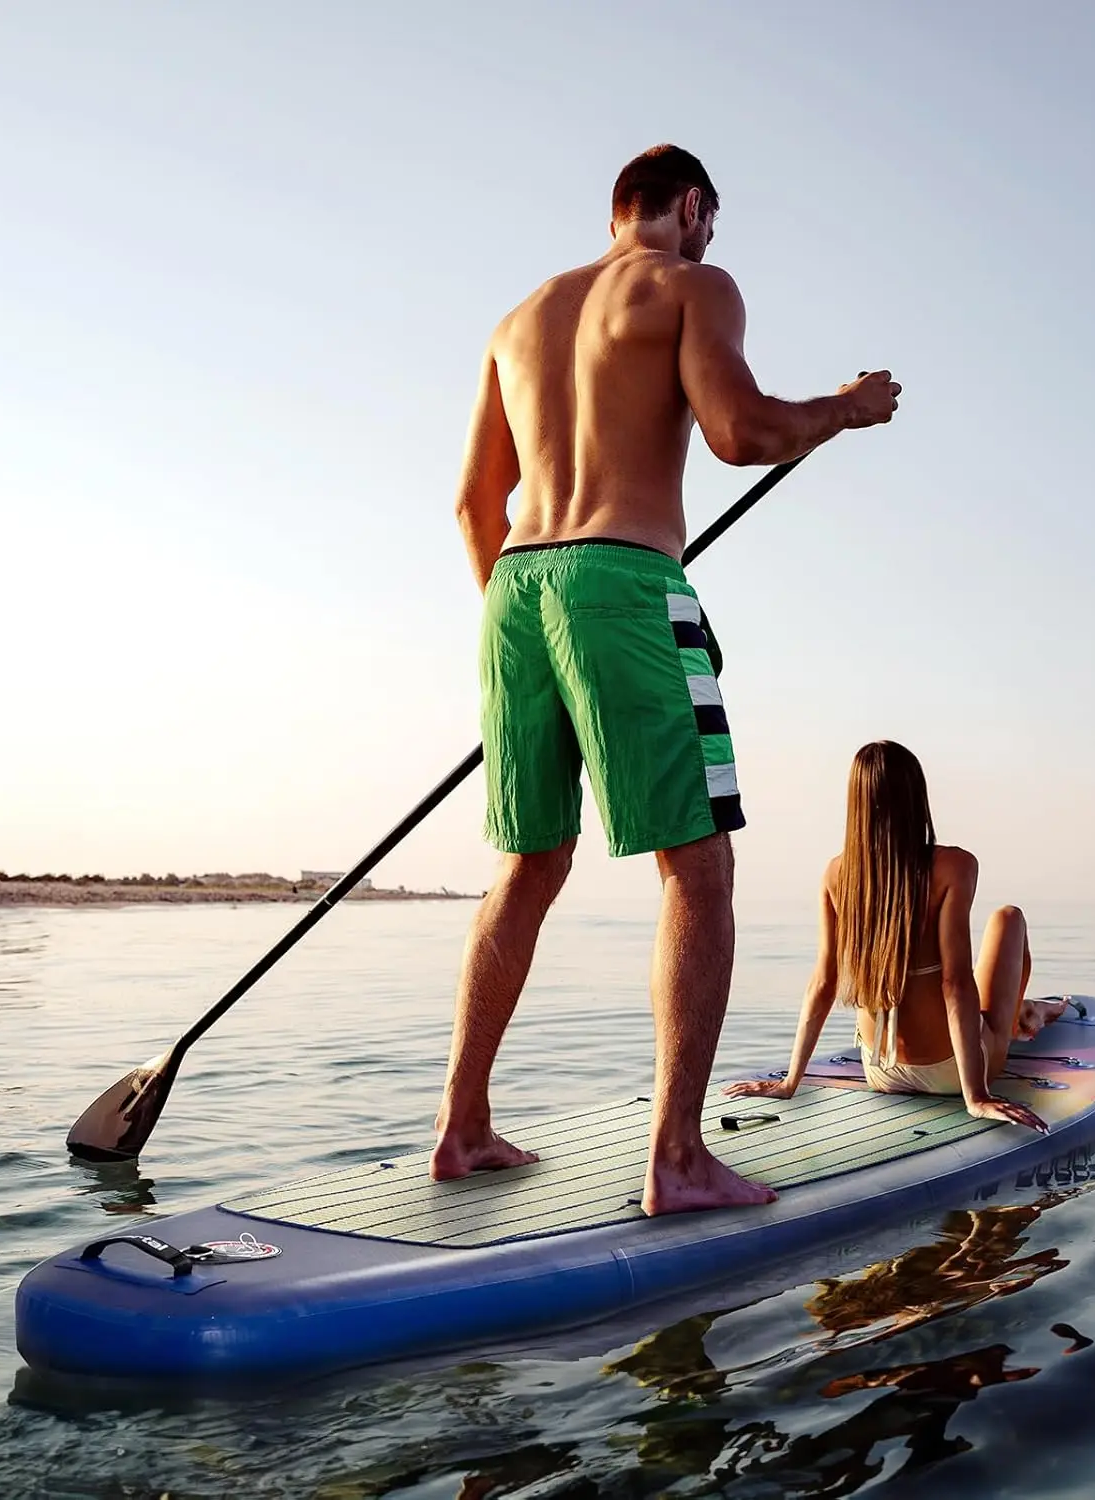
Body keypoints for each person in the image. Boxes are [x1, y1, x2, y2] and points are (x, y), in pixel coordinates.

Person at [431, 144, 903, 1215]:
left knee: (530, 863)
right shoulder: (691, 285)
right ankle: (678, 1159)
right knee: (698, 867)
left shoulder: (519, 319)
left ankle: (463, 1127)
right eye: (710, 222)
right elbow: (741, 433)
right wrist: (845, 408)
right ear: (689, 208)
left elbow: (473, 504)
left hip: (513, 590)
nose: (708, 241)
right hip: (624, 580)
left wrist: (537, 625)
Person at [725, 741, 1055, 1131]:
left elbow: (823, 983)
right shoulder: (955, 866)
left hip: (881, 1072)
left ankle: (1026, 1011)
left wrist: (790, 1081)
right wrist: (975, 1096)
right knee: (1008, 919)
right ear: (917, 796)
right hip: (949, 1072)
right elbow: (954, 984)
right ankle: (1022, 1015)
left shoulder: (836, 874)